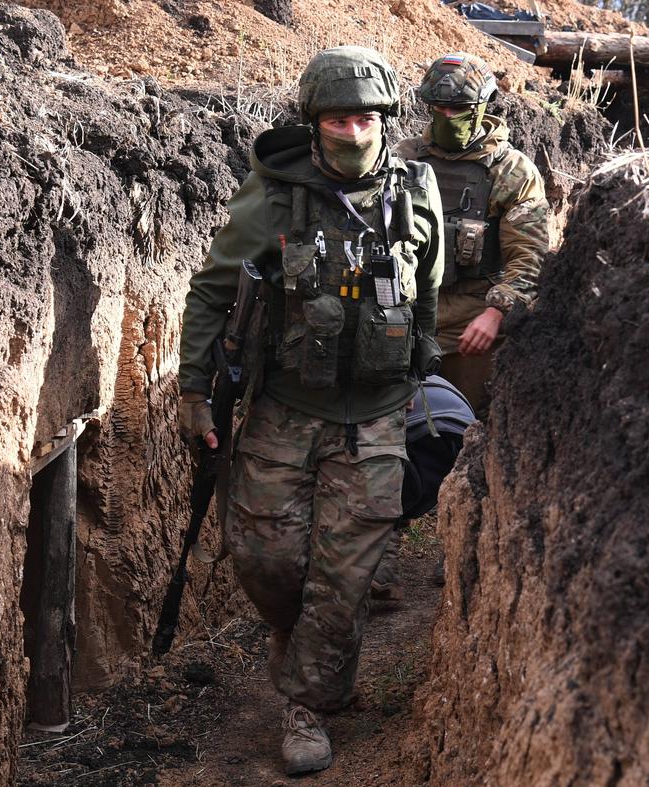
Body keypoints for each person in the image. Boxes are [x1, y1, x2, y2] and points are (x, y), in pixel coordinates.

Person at [176, 45, 444, 776]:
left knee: (344, 574)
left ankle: (305, 706)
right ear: (313, 122)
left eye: (364, 117)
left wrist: (426, 372)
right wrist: (194, 390)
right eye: (336, 118)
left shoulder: (418, 189)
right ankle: (301, 643)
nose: (352, 132)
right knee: (266, 559)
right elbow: (210, 290)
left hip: (379, 415)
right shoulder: (272, 195)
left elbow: (428, 290)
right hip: (285, 409)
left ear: (385, 117)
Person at [396, 51, 551, 415]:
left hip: (473, 324)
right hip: (408, 317)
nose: (447, 117)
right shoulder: (405, 159)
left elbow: (530, 254)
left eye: (460, 109)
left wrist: (497, 312)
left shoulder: (512, 171)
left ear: (483, 107)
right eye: (438, 108)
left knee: (466, 424)